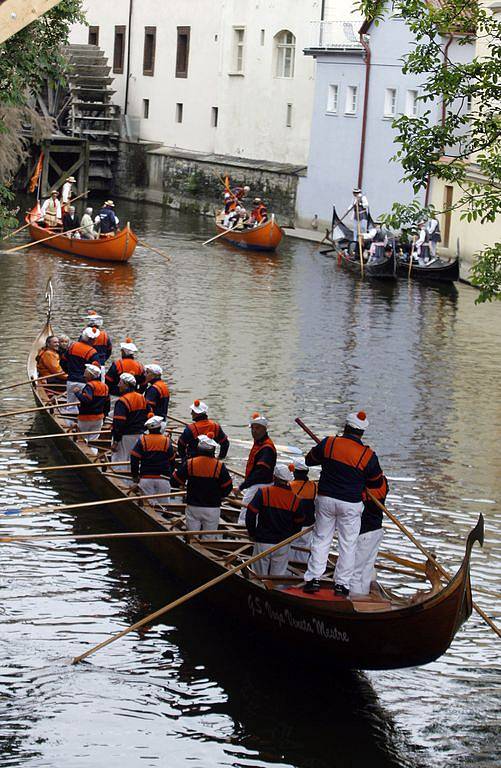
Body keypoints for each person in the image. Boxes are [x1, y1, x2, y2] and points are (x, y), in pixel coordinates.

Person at [302, 410, 384, 596]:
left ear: (345, 427)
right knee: (348, 544)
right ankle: (341, 585)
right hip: (351, 504)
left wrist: (326, 456)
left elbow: (309, 460)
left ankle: (313, 579)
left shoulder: (329, 443)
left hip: (326, 499)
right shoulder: (368, 456)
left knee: (322, 539)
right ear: (362, 432)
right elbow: (376, 483)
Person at [246, 464, 311, 577]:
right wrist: (290, 537)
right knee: (277, 578)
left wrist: (252, 533)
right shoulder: (295, 499)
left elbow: (250, 514)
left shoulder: (264, 492)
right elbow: (299, 522)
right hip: (283, 544)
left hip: (263, 541)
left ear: (274, 477)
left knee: (258, 576)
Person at [172, 433, 233, 534]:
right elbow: (227, 488)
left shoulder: (190, 463)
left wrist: (182, 484)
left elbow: (174, 481)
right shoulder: (219, 466)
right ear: (213, 450)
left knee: (192, 537)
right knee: (209, 538)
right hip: (212, 508)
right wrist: (220, 496)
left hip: (193, 506)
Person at [350, 476, 389, 596]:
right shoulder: (384, 482)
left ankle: (356, 600)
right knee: (367, 570)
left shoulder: (362, 484)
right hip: (377, 530)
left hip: (366, 532)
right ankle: (364, 596)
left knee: (355, 571)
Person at [237, 412, 277, 524]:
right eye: (252, 428)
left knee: (245, 512)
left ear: (264, 429)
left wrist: (242, 486)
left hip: (260, 485)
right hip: (258, 484)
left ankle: (242, 532)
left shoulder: (266, 448)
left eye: (257, 428)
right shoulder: (259, 443)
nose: (254, 431)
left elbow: (260, 473)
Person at [130, 415, 176, 505]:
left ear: (149, 429)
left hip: (146, 479)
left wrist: (135, 476)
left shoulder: (142, 440)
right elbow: (172, 461)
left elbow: (134, 459)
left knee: (148, 505)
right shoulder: (167, 441)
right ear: (159, 428)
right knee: (164, 506)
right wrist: (170, 476)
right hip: (164, 479)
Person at [111, 372, 151, 470]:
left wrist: (116, 440)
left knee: (120, 459)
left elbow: (119, 424)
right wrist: (142, 429)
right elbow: (149, 416)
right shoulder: (142, 398)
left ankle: (120, 481)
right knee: (134, 458)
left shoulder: (122, 401)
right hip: (139, 435)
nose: (118, 385)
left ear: (126, 385)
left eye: (120, 383)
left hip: (125, 436)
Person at [63, 328, 101, 417]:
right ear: (91, 340)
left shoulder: (72, 346)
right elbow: (96, 371)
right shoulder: (92, 352)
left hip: (71, 380)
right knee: (83, 405)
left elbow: (63, 362)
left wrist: (68, 372)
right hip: (85, 383)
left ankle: (69, 424)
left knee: (70, 406)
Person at [74, 363, 110, 451]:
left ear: (90, 375)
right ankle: (93, 454)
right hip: (98, 418)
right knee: (93, 441)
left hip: (86, 418)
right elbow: (107, 404)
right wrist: (104, 416)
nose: (84, 374)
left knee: (82, 439)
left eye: (86, 372)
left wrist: (77, 393)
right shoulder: (105, 387)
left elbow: (87, 400)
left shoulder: (90, 386)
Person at [289, 457, 317, 566]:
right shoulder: (314, 487)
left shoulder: (289, 486)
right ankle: (301, 572)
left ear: (295, 472)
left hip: (293, 524)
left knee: (290, 549)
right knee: (304, 550)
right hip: (308, 526)